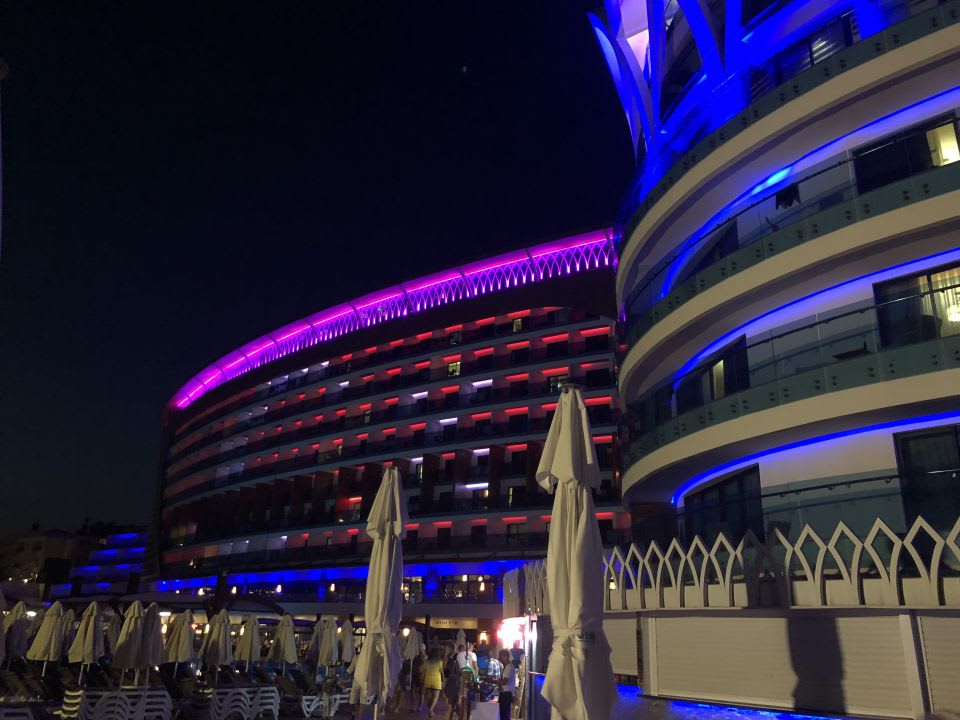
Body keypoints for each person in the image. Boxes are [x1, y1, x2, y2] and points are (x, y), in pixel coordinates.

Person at [493, 649, 516, 720]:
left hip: (506, 694)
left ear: (506, 656)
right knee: (505, 715)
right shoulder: (509, 666)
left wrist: (493, 681)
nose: (500, 659)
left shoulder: (508, 667)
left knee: (504, 715)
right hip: (507, 694)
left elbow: (504, 681)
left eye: (501, 656)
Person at [423, 647, 444, 718]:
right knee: (435, 697)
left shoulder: (427, 661)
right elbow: (441, 672)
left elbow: (424, 672)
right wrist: (443, 680)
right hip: (436, 681)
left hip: (428, 681)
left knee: (429, 698)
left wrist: (422, 681)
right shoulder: (439, 662)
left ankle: (431, 711)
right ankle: (431, 709)